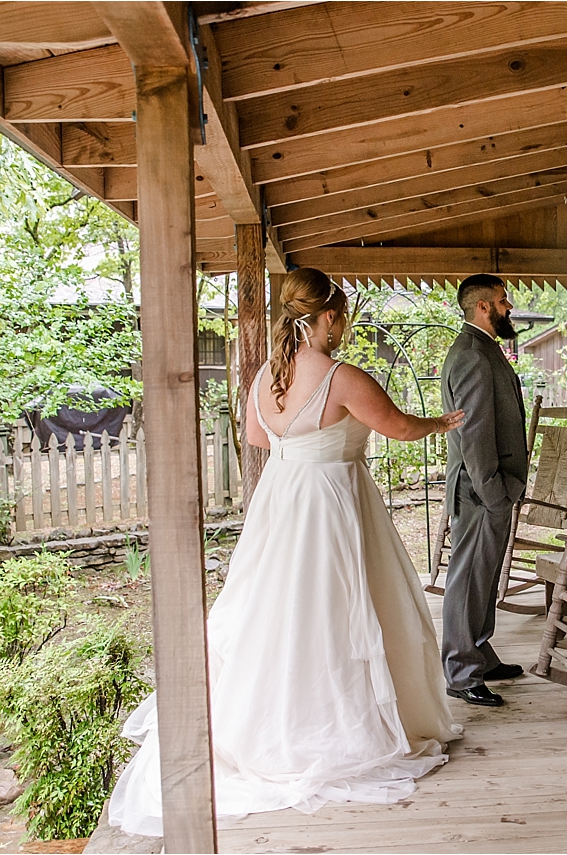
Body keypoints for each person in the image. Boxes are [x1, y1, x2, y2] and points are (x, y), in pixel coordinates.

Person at [108, 268, 466, 836]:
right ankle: (342, 725)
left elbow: (256, 437)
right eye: (341, 316)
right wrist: (442, 422)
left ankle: (270, 721)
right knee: (339, 607)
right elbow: (398, 428)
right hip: (331, 502)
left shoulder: (264, 377)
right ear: (327, 317)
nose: (343, 326)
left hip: (281, 498)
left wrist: (296, 442)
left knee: (280, 610)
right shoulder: (344, 378)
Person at [439, 274, 528, 707]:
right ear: (482, 307)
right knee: (469, 579)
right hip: (481, 490)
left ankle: (479, 653)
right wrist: (494, 491)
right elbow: (473, 434)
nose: (508, 306)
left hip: (491, 488)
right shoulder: (472, 355)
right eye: (501, 300)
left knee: (484, 576)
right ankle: (460, 671)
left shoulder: (483, 349)